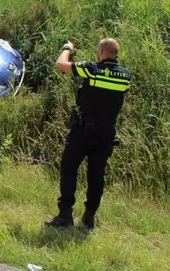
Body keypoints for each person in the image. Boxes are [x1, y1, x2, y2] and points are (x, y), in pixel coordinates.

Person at [45, 38, 131, 230]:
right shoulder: (125, 76)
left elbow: (61, 65)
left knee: (68, 169)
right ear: (116, 54)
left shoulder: (92, 69)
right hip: (106, 133)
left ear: (101, 52)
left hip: (83, 130)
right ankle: (89, 216)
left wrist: (67, 48)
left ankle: (65, 214)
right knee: (97, 174)